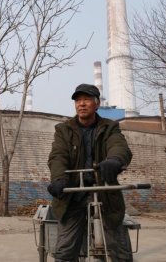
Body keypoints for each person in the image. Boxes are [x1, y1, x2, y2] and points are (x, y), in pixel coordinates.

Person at [47, 83, 133, 262]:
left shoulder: (110, 127)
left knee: (120, 250)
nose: (82, 104)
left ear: (97, 104)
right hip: (73, 193)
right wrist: (59, 178)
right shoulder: (64, 129)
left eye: (86, 99)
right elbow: (58, 155)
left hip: (105, 191)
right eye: (78, 100)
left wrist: (114, 160)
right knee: (64, 250)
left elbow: (119, 145)